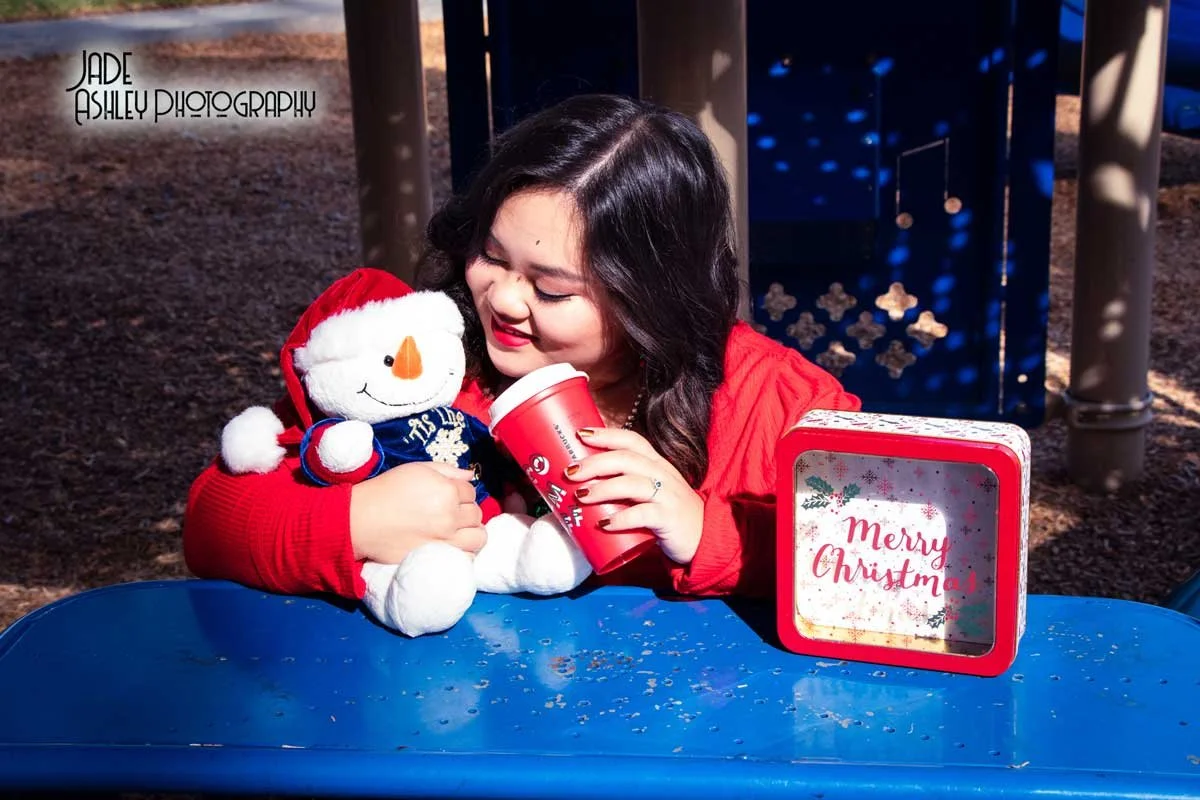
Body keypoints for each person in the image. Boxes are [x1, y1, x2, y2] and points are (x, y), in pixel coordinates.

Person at [183, 93, 861, 602]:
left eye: (552, 288)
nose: (503, 298)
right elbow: (212, 522)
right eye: (490, 253)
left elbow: (883, 576)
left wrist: (704, 529)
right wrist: (352, 521)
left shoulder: (770, 401)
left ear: (651, 297)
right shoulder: (425, 361)